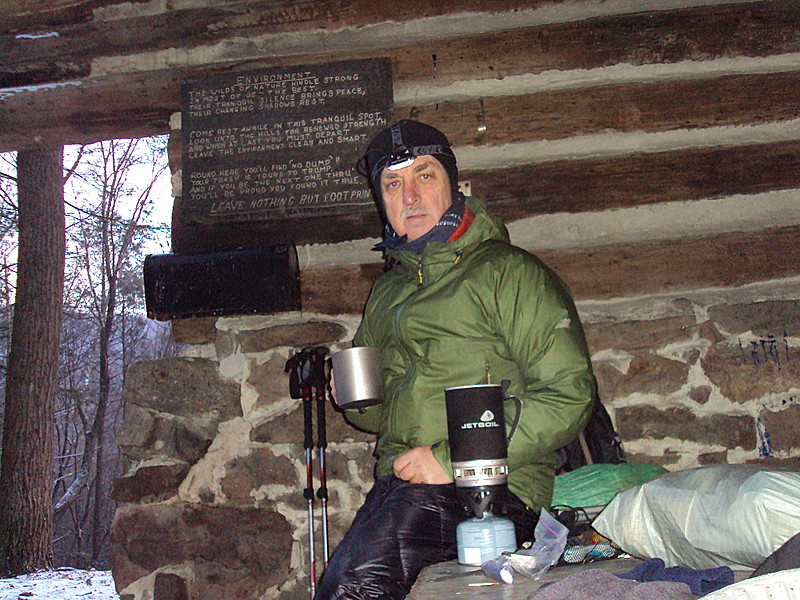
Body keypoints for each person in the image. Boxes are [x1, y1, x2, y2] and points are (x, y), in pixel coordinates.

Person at [315, 120, 595, 600]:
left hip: (494, 490)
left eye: (424, 176)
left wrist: (451, 461)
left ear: (452, 183)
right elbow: (380, 415)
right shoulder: (388, 292)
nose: (410, 196)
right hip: (402, 485)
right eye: (393, 184)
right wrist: (353, 396)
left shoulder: (508, 273)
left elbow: (569, 395)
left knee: (354, 590)